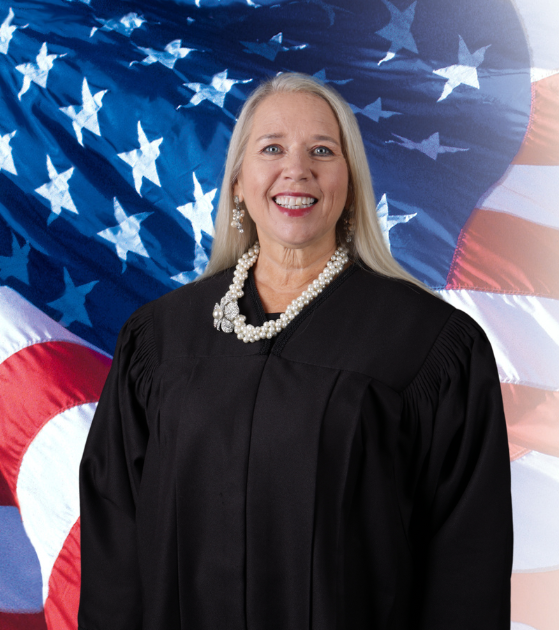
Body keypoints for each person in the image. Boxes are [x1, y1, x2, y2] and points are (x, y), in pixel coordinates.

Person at [78, 73, 513, 630]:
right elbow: (116, 544)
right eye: (272, 148)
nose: (297, 169)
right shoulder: (160, 340)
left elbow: (465, 566)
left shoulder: (428, 346)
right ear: (238, 182)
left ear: (350, 183)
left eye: (322, 151)